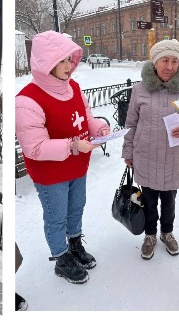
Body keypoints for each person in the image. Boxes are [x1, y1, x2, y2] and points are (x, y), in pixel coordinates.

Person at [15, 31, 109, 285]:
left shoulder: (74, 88)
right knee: (56, 215)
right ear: (46, 63)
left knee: (76, 207)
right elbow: (34, 147)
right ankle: (61, 257)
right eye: (62, 61)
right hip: (51, 173)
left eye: (70, 59)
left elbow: (84, 119)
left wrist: (98, 127)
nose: (69, 66)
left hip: (77, 166)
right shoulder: (27, 99)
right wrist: (73, 146)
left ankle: (75, 243)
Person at [121, 39, 179, 260]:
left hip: (172, 157)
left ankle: (167, 232)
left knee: (169, 201)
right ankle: (150, 235)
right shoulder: (139, 89)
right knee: (148, 200)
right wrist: (128, 152)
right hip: (145, 156)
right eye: (164, 60)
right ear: (155, 63)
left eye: (174, 61)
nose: (169, 66)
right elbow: (131, 124)